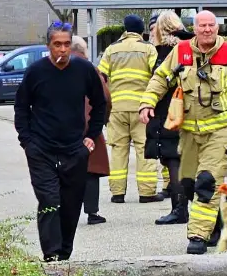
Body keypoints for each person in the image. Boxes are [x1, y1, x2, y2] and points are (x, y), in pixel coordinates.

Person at [140, 10, 227, 255]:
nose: (207, 30)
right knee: (187, 185)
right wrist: (147, 102)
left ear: (217, 28)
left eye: (211, 25)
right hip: (188, 133)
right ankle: (215, 226)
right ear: (195, 28)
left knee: (207, 183)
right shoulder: (181, 52)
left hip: (220, 131)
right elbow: (161, 78)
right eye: (203, 26)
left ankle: (197, 236)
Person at [14, 21, 108, 262]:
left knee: (70, 204)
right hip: (41, 150)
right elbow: (22, 107)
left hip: (74, 150)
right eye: (57, 45)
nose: (63, 50)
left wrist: (90, 137)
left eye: (67, 44)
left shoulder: (84, 70)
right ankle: (51, 255)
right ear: (49, 46)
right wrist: (27, 142)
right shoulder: (36, 72)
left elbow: (101, 104)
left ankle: (64, 254)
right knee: (49, 200)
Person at [99, 14, 162, 204]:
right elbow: (157, 73)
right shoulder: (148, 49)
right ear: (141, 30)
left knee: (118, 149)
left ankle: (117, 193)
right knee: (144, 148)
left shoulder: (111, 50)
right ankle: (147, 193)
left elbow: (101, 76)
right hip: (141, 108)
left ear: (125, 30)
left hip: (117, 109)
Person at [145, 11, 195, 226]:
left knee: (172, 160)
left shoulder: (166, 51)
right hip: (190, 110)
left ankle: (179, 208)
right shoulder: (190, 46)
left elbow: (161, 82)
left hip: (170, 113)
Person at [71, 35, 112, 225]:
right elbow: (105, 98)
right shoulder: (91, 70)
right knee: (90, 170)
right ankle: (92, 212)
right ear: (82, 50)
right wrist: (101, 121)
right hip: (88, 126)